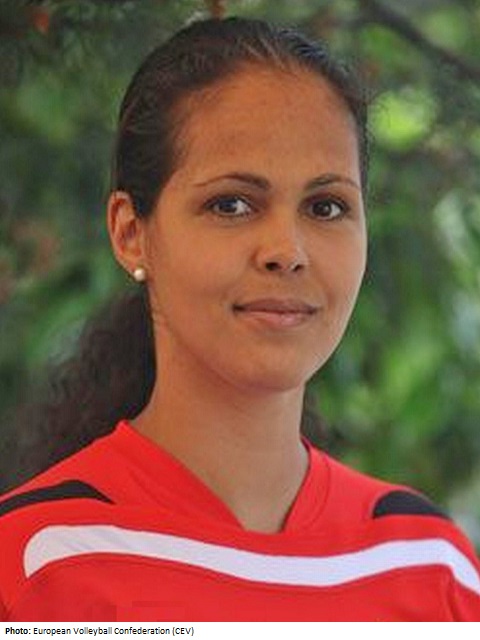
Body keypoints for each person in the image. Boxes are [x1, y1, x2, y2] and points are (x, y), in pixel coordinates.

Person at [0, 16, 479, 622]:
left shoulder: (431, 569)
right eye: (231, 204)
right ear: (130, 233)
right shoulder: (35, 566)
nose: (287, 250)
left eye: (326, 206)